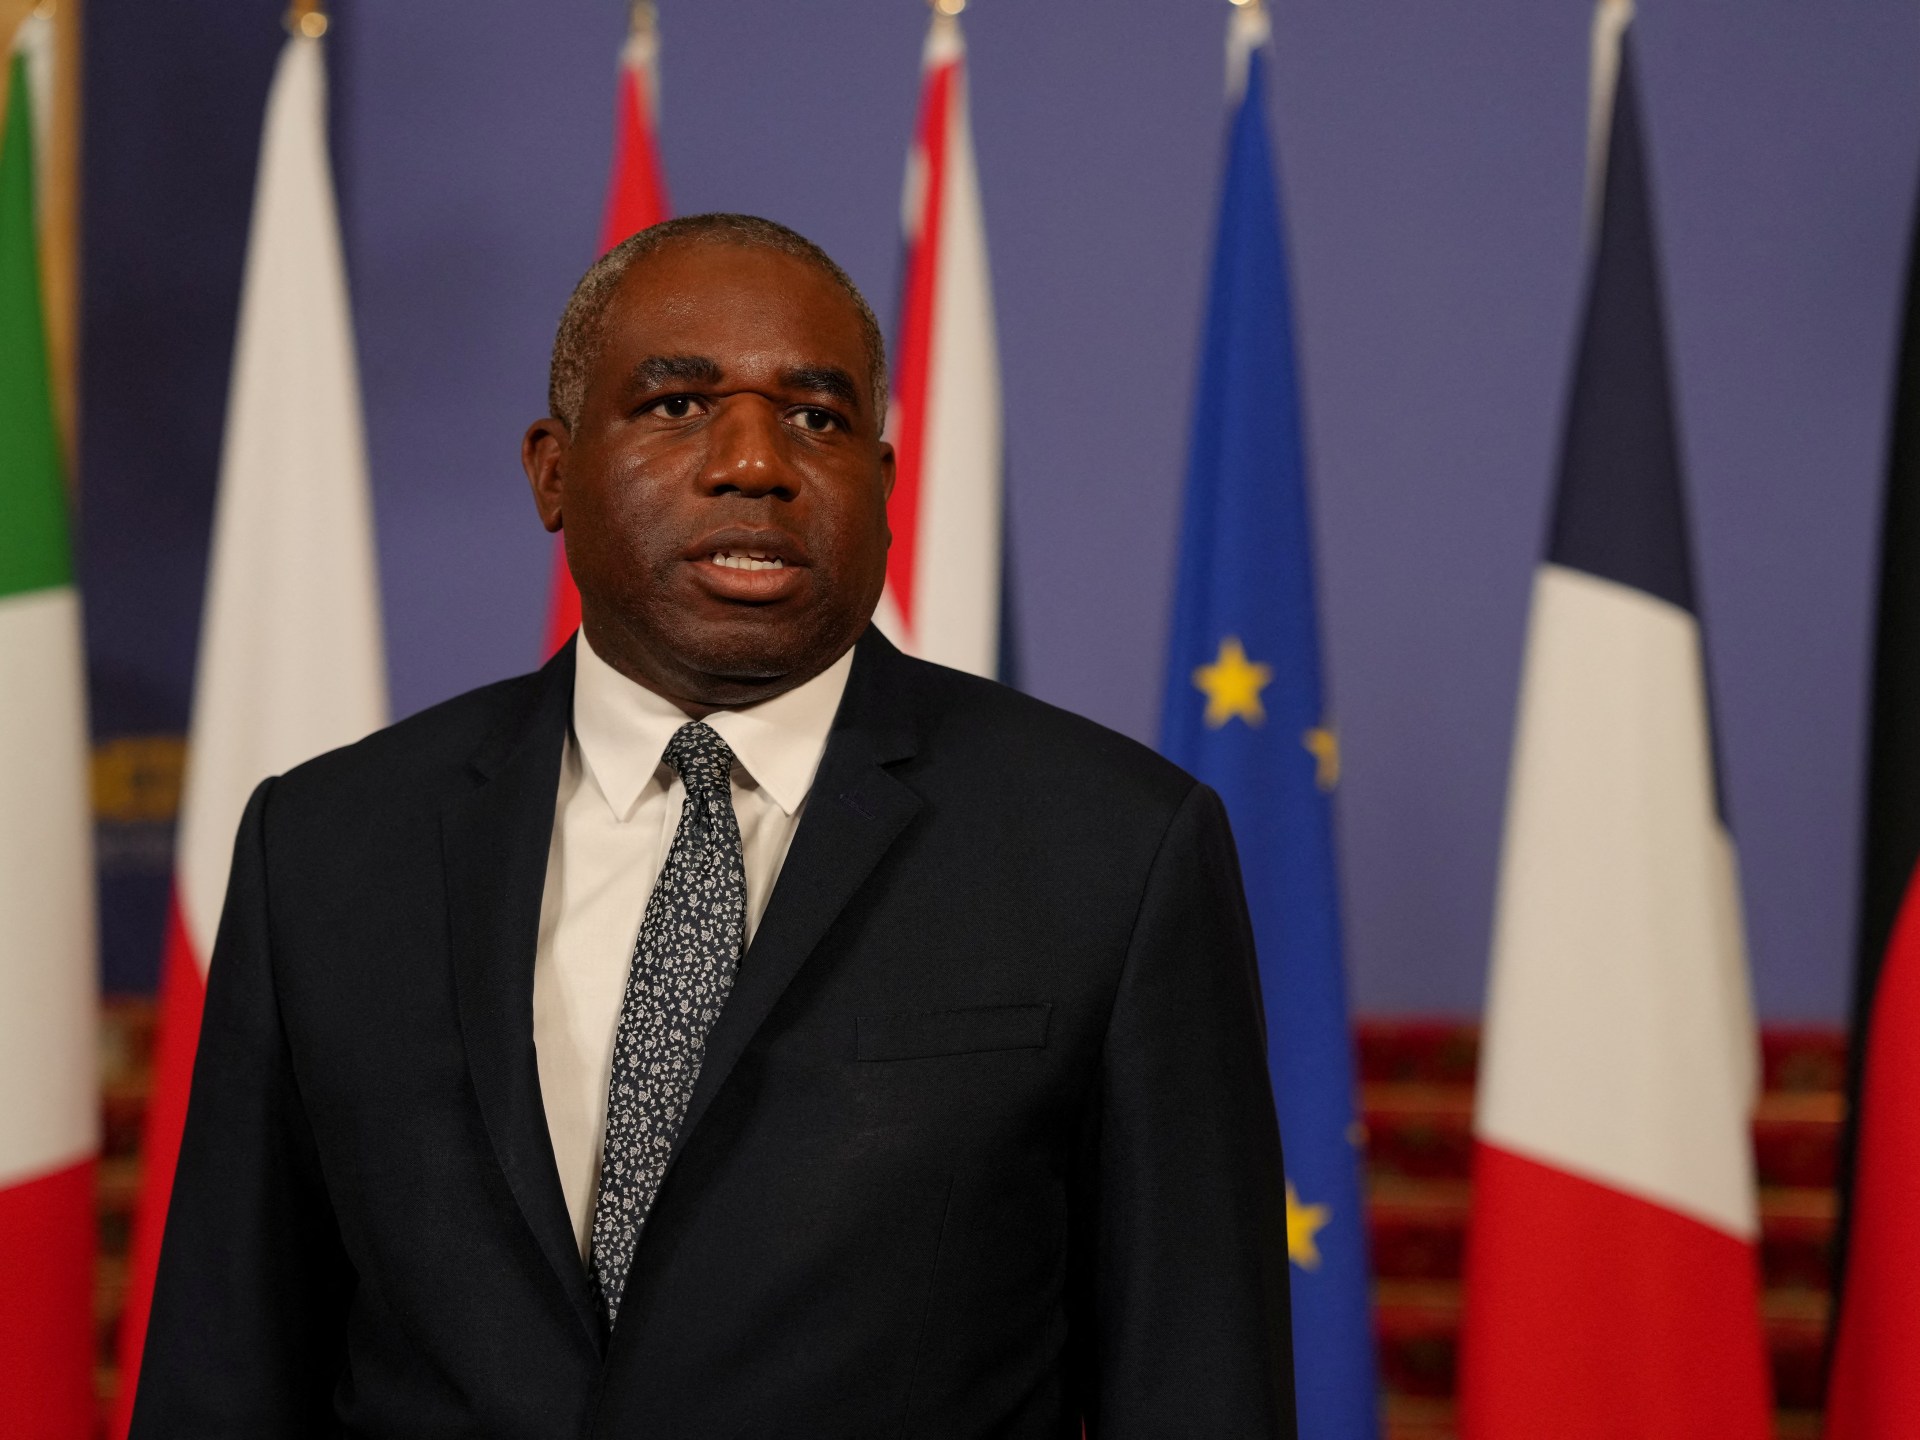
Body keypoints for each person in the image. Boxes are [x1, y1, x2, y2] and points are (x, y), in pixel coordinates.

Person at [131, 213, 1296, 1438]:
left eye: (817, 418)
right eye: (678, 405)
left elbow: (1199, 1386)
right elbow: (226, 1370)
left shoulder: (1112, 849)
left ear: (884, 489)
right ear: (551, 471)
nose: (754, 463)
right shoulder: (324, 847)